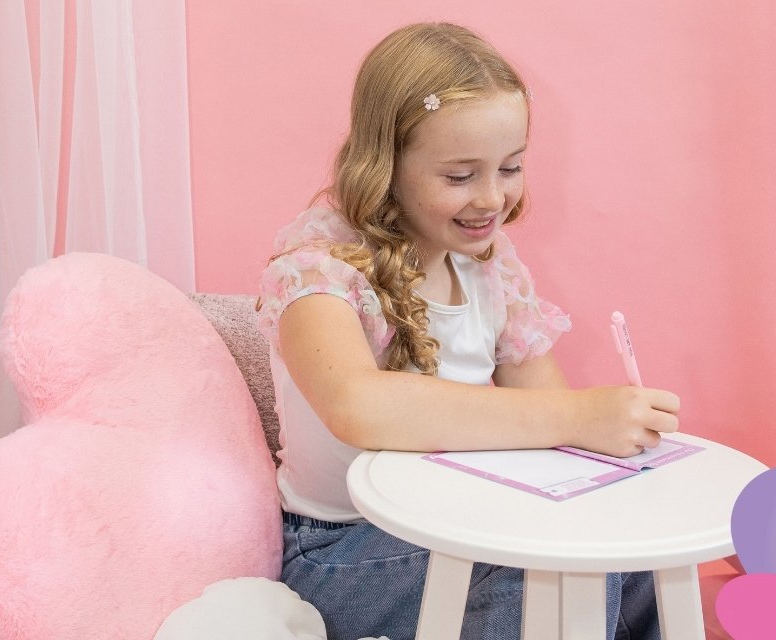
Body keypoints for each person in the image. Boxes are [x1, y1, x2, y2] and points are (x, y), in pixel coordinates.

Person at [257, 21, 680, 640]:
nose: (491, 198)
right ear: (386, 164)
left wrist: (604, 429)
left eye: (509, 167)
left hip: (463, 515)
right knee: (537, 571)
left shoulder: (490, 265)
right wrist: (580, 416)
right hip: (346, 550)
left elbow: (549, 412)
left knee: (628, 554)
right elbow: (359, 407)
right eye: (459, 176)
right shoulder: (317, 269)